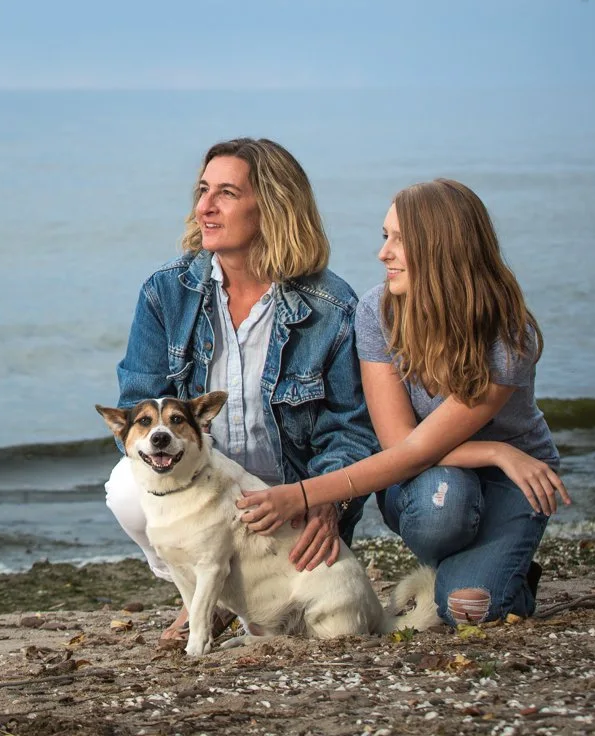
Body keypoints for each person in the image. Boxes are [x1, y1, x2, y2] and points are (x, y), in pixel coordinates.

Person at [235, 178, 571, 626]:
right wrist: (496, 449)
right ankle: (473, 562)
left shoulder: (508, 337)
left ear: (442, 249)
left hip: (512, 481)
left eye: (399, 240)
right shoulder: (378, 312)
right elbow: (402, 445)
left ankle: (499, 572)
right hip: (428, 482)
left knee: (467, 611)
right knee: (443, 502)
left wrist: (297, 496)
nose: (383, 253)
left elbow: (417, 447)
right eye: (384, 236)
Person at [108, 138, 380, 639]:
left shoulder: (330, 306)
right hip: (205, 485)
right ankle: (201, 594)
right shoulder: (165, 292)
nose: (205, 207)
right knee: (126, 489)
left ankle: (247, 591)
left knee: (295, 627)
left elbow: (351, 430)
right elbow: (134, 410)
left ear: (273, 207)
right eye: (203, 190)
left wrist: (323, 498)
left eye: (226, 193)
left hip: (291, 491)